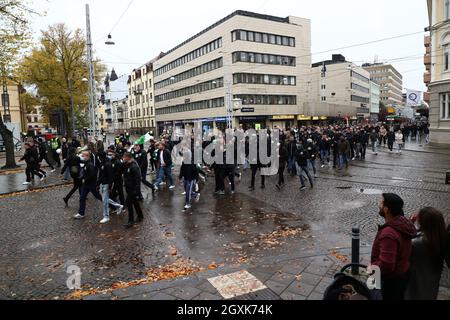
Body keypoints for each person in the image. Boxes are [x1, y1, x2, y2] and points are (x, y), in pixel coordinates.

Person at [371, 193, 416, 300]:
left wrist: (372, 268)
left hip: (390, 281)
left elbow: (387, 264)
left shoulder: (388, 234)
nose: (379, 205)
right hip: (402, 274)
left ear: (386, 209)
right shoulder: (402, 223)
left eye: (381, 203)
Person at [405, 207, 448, 300]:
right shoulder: (441, 238)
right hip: (431, 285)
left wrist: (409, 225)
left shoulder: (416, 244)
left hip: (414, 285)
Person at [74, 151, 102, 219]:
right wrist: (81, 177)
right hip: (86, 184)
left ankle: (113, 206)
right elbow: (85, 173)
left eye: (83, 156)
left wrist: (85, 179)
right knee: (82, 198)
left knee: (99, 197)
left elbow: (92, 175)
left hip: (91, 184)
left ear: (87, 156)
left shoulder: (90, 164)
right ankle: (81, 213)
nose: (81, 157)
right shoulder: (86, 163)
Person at [123, 152, 144, 229]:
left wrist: (136, 190)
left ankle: (130, 221)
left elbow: (137, 179)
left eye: (124, 157)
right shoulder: (127, 165)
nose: (123, 158)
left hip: (133, 189)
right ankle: (140, 216)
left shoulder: (134, 166)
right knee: (135, 202)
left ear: (128, 157)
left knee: (128, 203)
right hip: (128, 188)